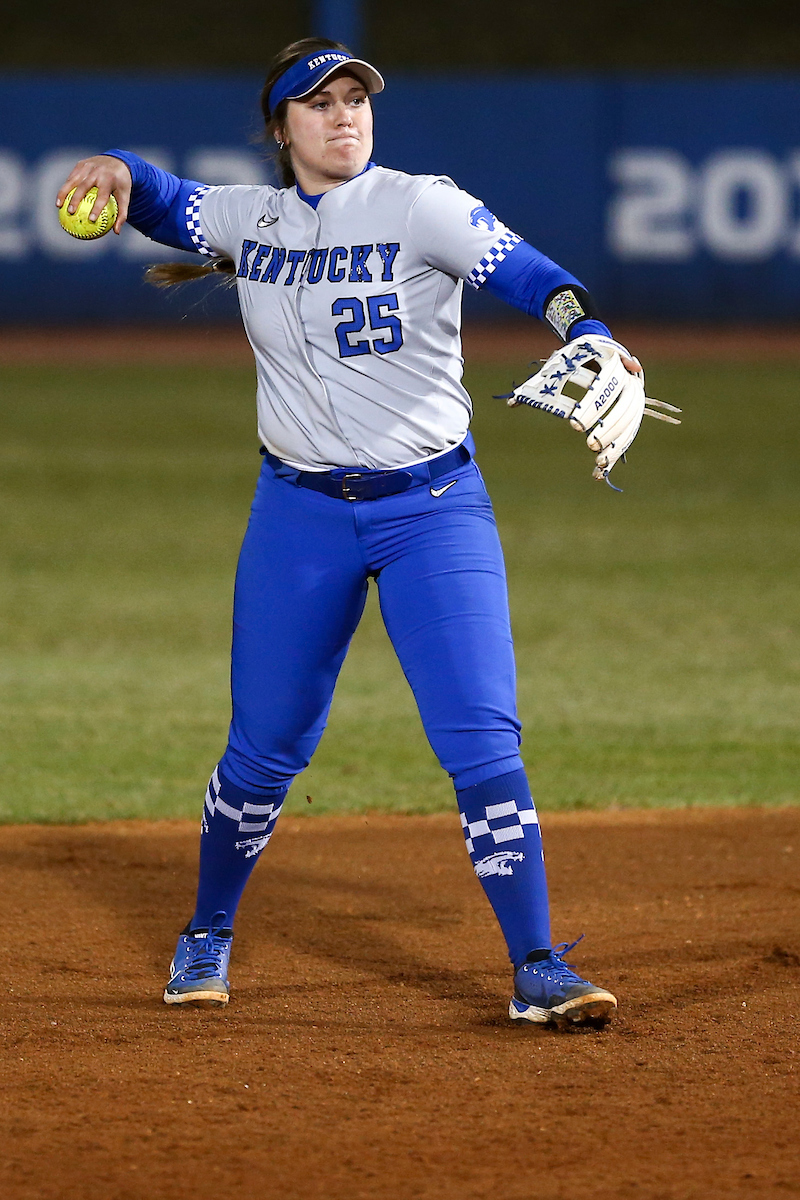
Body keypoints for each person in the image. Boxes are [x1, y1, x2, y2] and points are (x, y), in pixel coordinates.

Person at [57, 37, 638, 1026]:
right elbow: (160, 197)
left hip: (434, 512)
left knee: (481, 736)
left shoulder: (422, 204)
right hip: (299, 518)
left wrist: (581, 326)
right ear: (280, 128)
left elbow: (531, 272)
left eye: (355, 99)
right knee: (263, 749)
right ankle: (206, 932)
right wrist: (115, 169)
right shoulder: (251, 218)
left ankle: (537, 965)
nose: (344, 116)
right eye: (318, 103)